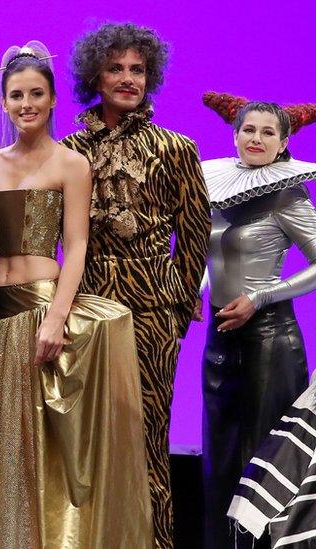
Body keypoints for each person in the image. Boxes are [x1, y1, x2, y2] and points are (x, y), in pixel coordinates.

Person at [0, 42, 151, 549]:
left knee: (44, 452)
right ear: (4, 102)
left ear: (51, 101)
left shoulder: (71, 164)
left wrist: (56, 317)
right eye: (16, 95)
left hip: (42, 313)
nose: (26, 103)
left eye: (36, 94)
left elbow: (77, 244)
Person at [61, 22, 212, 548]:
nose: (128, 79)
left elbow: (195, 233)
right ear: (94, 77)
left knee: (147, 436)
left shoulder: (176, 148)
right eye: (116, 68)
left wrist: (176, 306)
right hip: (87, 303)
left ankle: (156, 542)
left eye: (138, 69)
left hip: (151, 309)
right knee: (90, 438)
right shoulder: (70, 149)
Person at [199, 92, 316, 549]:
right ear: (235, 134)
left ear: (283, 142)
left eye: (269, 132)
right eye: (249, 129)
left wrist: (261, 296)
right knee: (218, 462)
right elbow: (211, 258)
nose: (256, 138)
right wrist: (195, 292)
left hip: (269, 340)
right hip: (220, 338)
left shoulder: (287, 194)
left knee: (260, 468)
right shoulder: (217, 188)